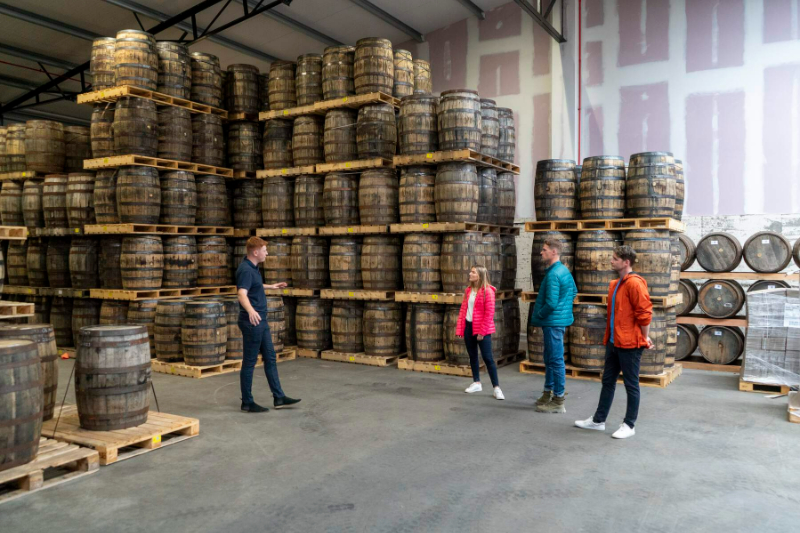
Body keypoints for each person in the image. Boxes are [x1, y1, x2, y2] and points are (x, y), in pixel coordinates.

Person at [575, 245, 654, 439]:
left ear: (626, 262)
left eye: (615, 258)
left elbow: (645, 314)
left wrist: (644, 337)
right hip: (614, 341)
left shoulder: (635, 283)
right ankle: (598, 420)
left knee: (631, 384)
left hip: (630, 344)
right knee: (608, 381)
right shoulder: (616, 284)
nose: (611, 261)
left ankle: (629, 424)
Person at [236, 236, 301, 413]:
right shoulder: (246, 270)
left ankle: (278, 397)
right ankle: (247, 402)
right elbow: (242, 294)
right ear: (255, 252)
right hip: (253, 321)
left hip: (260, 320)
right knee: (249, 362)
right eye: (264, 250)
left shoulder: (252, 267)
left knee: (270, 358)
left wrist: (270, 287)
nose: (267, 253)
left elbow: (253, 286)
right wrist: (251, 311)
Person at [530, 237, 578, 414]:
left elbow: (550, 303)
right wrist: (564, 311)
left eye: (544, 249)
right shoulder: (563, 270)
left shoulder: (553, 274)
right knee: (551, 359)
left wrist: (539, 316)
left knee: (555, 360)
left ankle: (558, 400)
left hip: (552, 322)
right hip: (558, 321)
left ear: (554, 252)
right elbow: (574, 291)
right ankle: (548, 392)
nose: (541, 252)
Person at [456, 265, 504, 400]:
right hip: (469, 327)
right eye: (470, 271)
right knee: (472, 356)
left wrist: (482, 332)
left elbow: (489, 314)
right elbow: (463, 311)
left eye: (473, 272)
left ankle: (497, 388)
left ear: (479, 276)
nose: (470, 274)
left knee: (488, 358)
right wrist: (461, 328)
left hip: (482, 329)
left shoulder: (488, 291)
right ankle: (476, 382)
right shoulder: (468, 291)